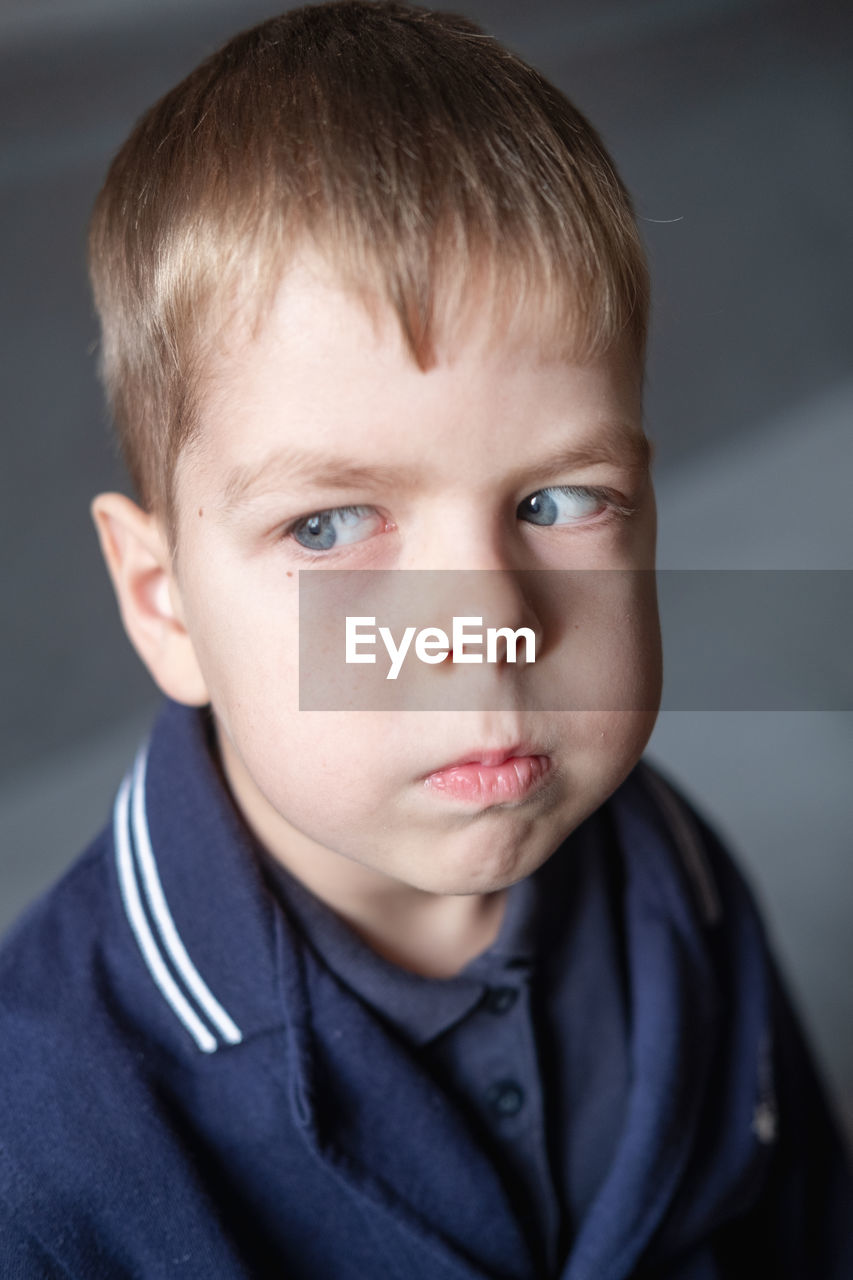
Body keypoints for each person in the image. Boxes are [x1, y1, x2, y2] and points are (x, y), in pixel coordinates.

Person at [0, 3, 850, 1276]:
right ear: (164, 600)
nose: (486, 627)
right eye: (333, 524)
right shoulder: (43, 1139)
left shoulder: (681, 880)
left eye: (557, 502)